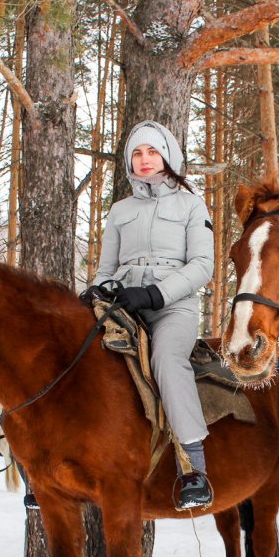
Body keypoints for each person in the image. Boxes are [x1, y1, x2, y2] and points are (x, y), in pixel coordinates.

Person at [85, 121, 215, 510]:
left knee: (166, 358)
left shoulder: (192, 204)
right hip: (124, 303)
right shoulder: (120, 209)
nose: (144, 160)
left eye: (152, 152)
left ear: (167, 156)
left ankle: (194, 469)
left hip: (173, 306)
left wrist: (156, 293)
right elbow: (106, 268)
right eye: (137, 154)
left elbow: (202, 266)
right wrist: (96, 291)